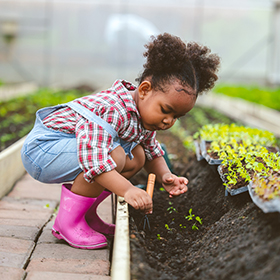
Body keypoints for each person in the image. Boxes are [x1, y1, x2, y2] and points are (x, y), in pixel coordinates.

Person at [21, 33, 220, 250]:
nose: (168, 121)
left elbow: (152, 152)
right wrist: (127, 190)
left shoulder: (141, 117)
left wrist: (165, 176)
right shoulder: (113, 109)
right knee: (113, 156)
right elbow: (95, 161)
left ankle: (86, 215)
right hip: (42, 151)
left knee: (137, 156)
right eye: (166, 110)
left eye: (176, 117)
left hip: (67, 150)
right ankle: (67, 223)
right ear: (144, 90)